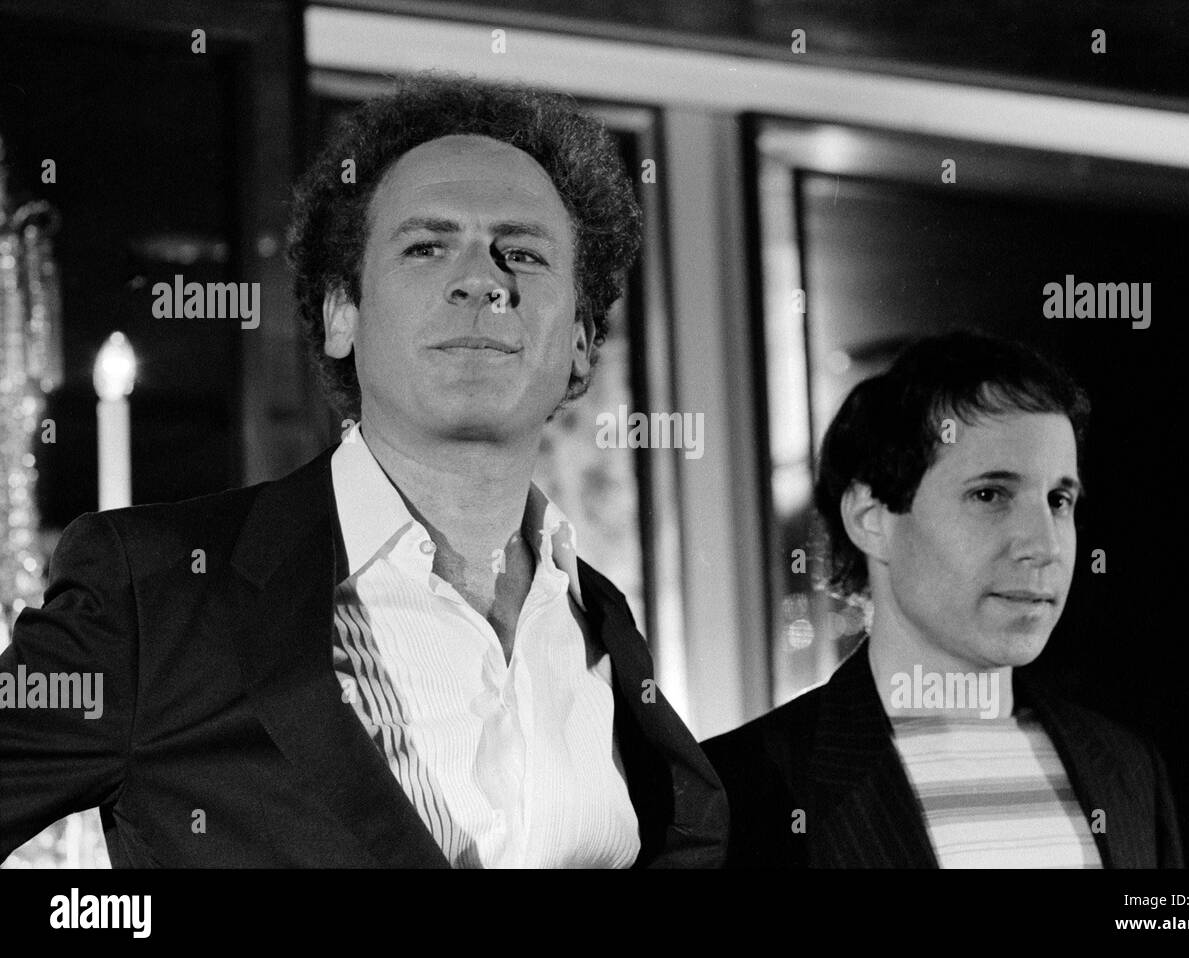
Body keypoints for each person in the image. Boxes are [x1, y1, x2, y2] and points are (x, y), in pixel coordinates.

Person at [0, 72, 726, 868]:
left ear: (582, 343)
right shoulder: (153, 597)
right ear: (341, 315)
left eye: (521, 251)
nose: (483, 280)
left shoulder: (601, 620)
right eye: (427, 246)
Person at [703, 331, 1181, 868]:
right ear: (871, 518)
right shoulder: (740, 791)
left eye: (1058, 499)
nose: (1045, 546)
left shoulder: (1126, 767)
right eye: (990, 494)